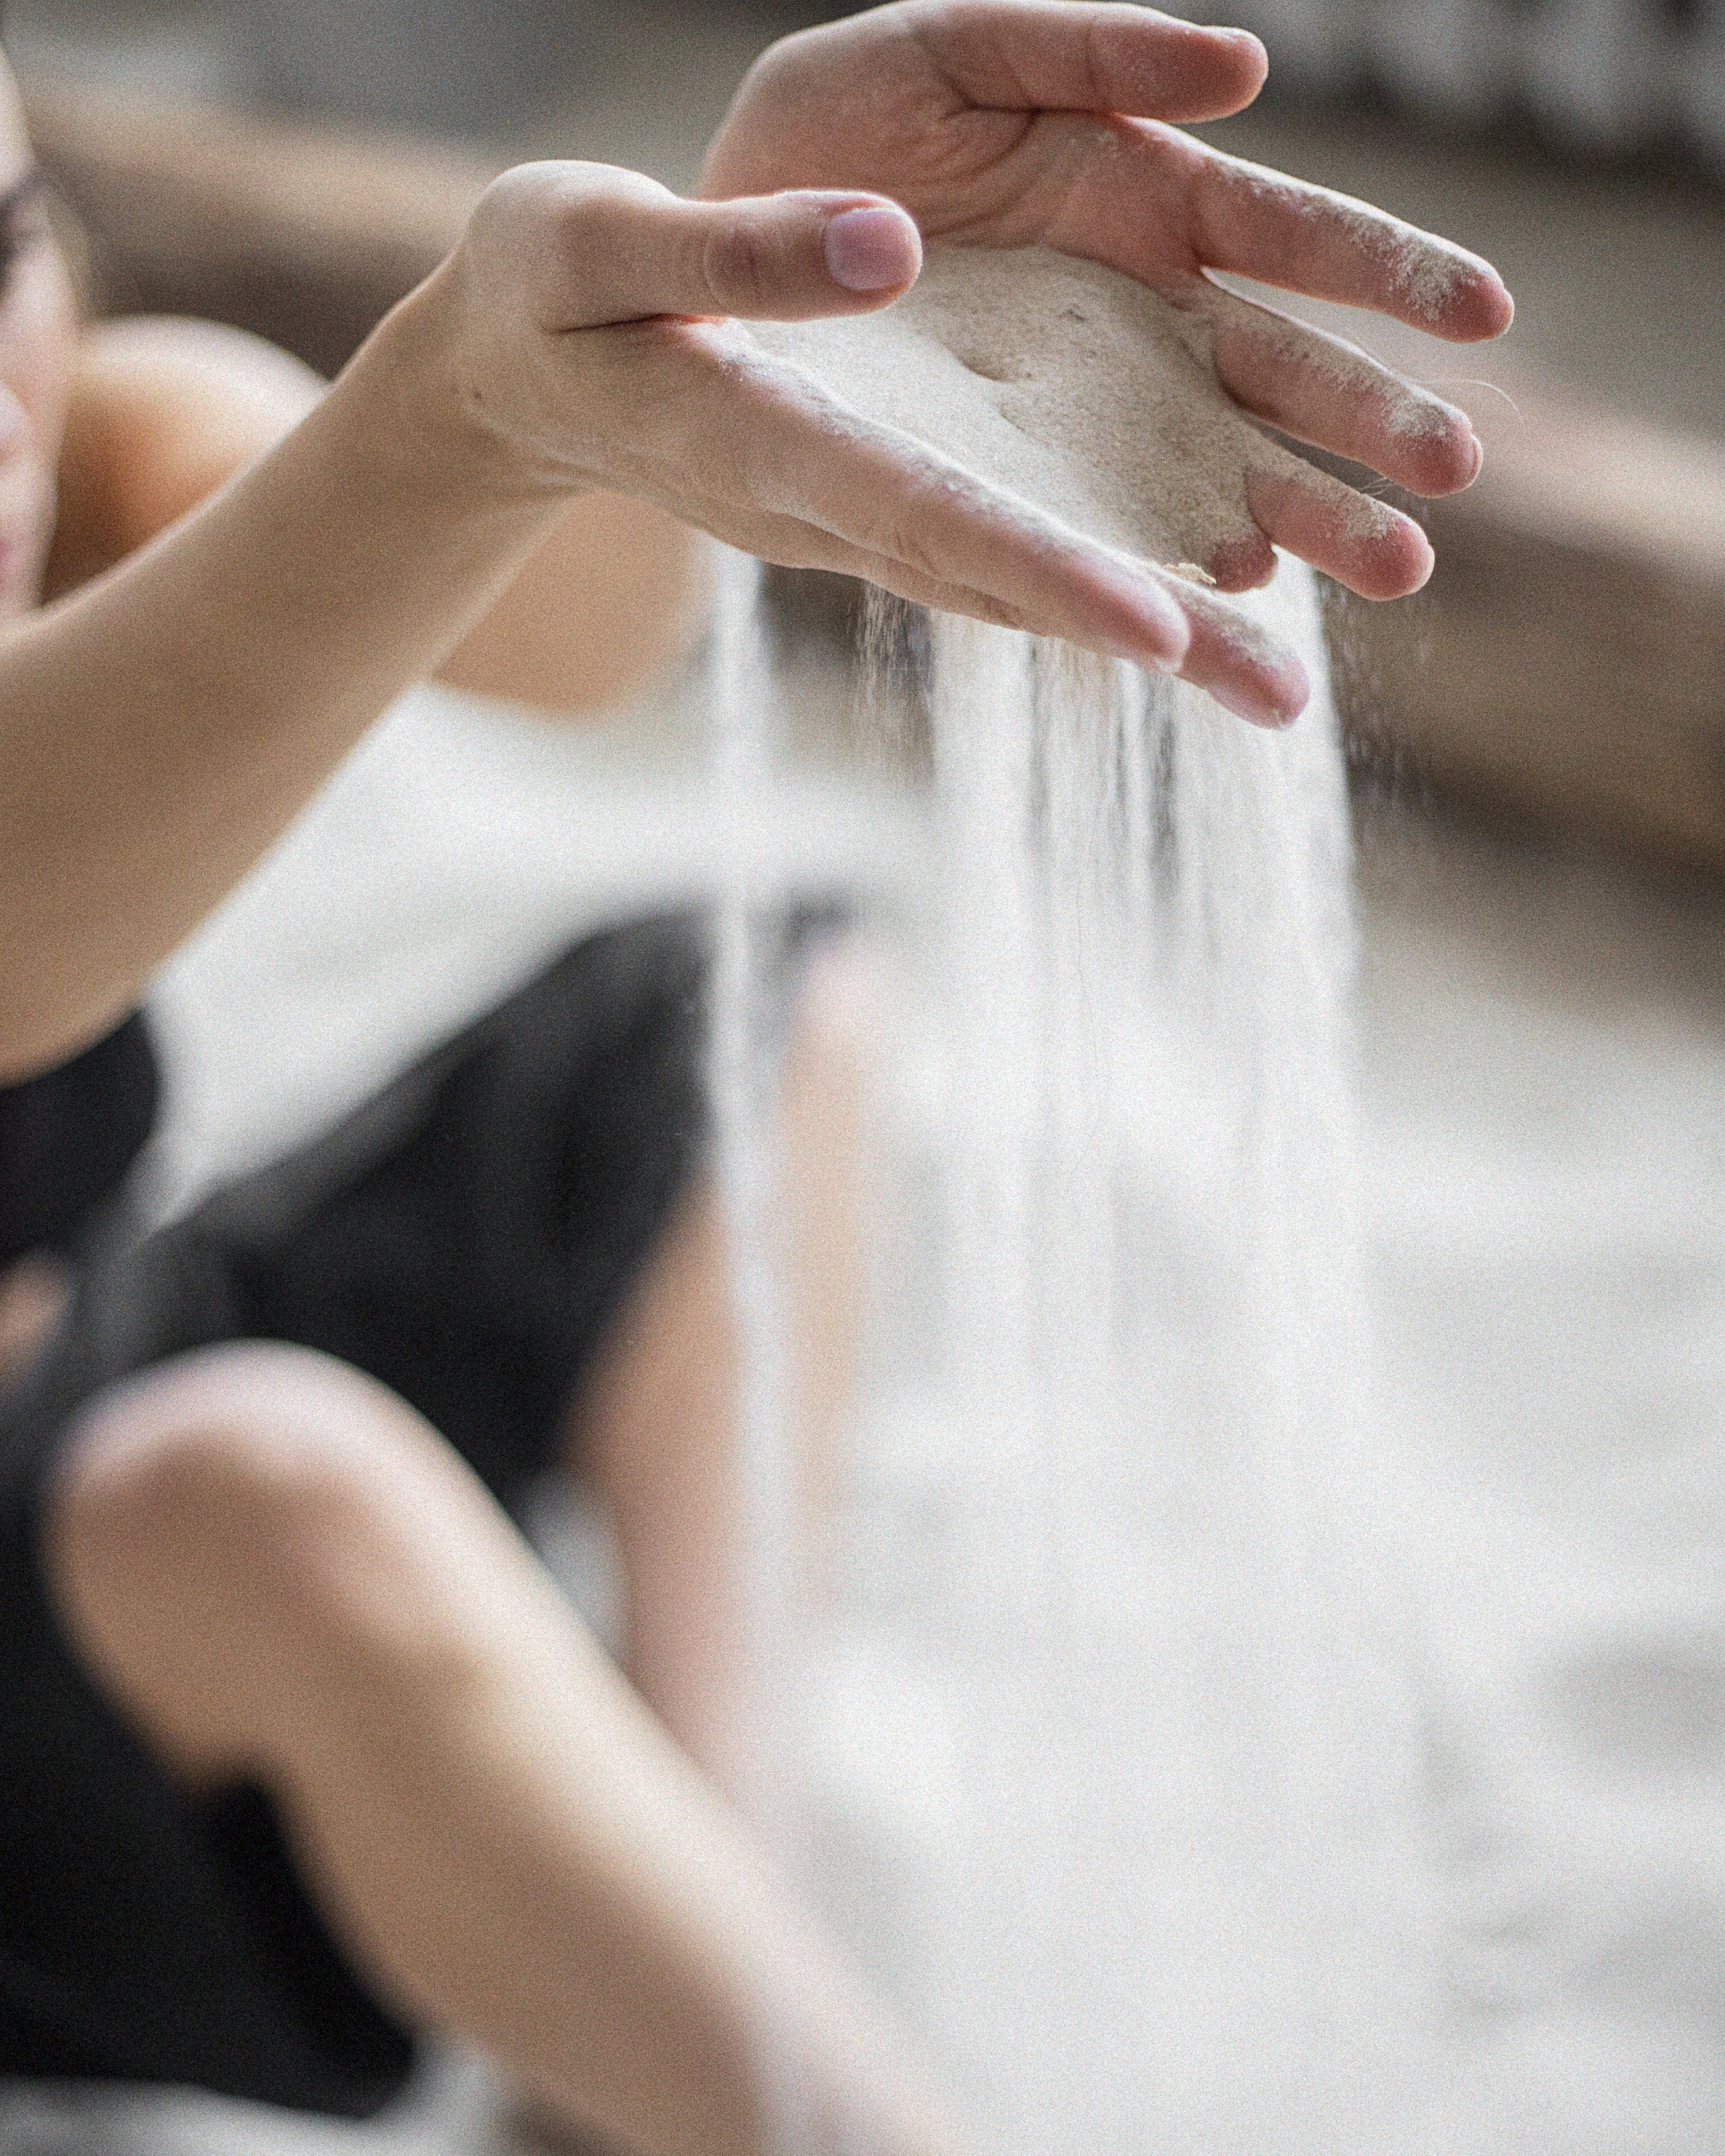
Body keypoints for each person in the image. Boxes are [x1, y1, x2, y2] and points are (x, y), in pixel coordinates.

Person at [0, 4, 1513, 2149]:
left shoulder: (113, 450)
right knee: (272, 1485)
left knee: (732, 1008)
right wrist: (457, 394)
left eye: (8, 252)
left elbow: (570, 638)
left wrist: (718, 297)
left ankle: (681, 1959)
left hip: (93, 1389)